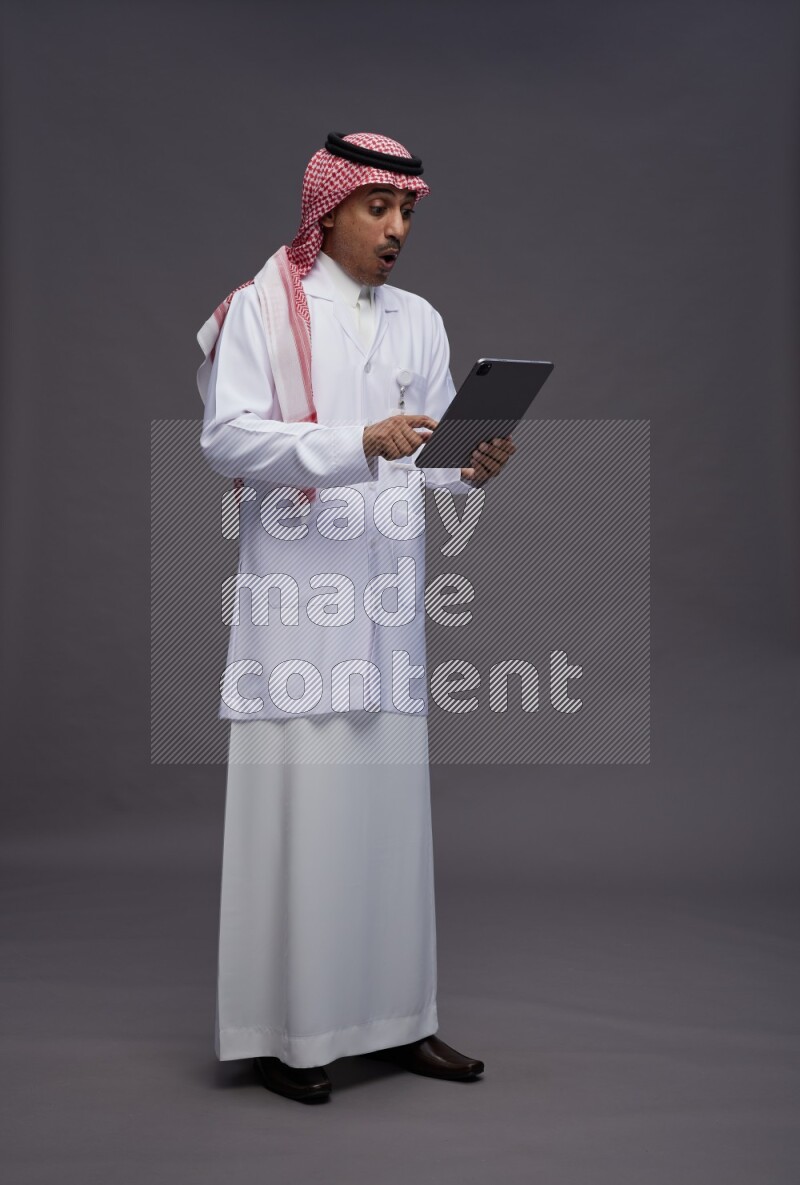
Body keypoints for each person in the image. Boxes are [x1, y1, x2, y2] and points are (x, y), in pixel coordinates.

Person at [196, 131, 515, 1103]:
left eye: (407, 211)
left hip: (382, 602)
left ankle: (397, 1021)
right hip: (300, 604)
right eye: (378, 208)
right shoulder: (257, 310)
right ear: (325, 211)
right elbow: (227, 439)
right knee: (304, 816)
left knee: (385, 821)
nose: (396, 229)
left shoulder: (417, 319)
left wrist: (469, 469)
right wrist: (354, 441)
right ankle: (289, 1036)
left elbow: (425, 457)